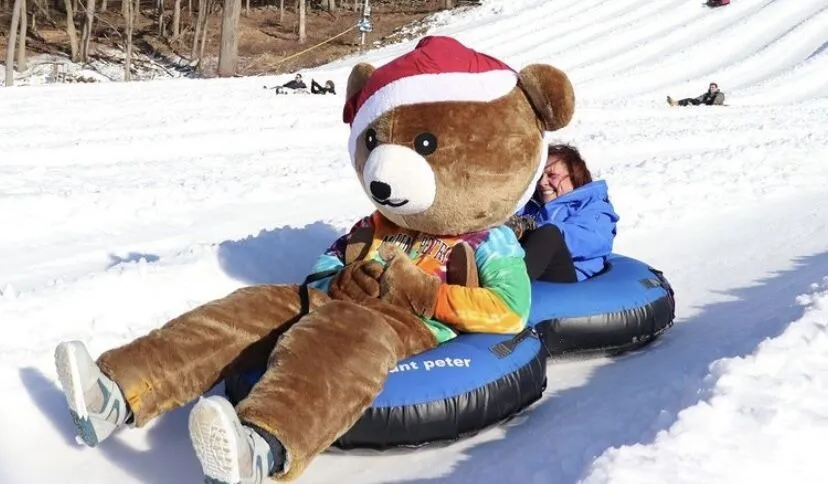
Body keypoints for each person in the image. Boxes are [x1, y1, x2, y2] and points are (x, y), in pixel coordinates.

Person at [505, 143, 619, 282]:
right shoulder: (531, 206)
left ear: (574, 176)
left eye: (552, 175)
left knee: (550, 235)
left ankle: (505, 291)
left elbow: (590, 241)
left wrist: (533, 228)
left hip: (567, 282)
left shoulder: (594, 208)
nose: (542, 183)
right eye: (540, 176)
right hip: (532, 272)